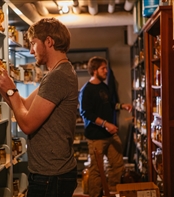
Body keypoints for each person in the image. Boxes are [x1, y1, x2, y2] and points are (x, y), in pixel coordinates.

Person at [0, 17, 78, 197]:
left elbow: (26, 124)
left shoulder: (57, 77)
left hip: (51, 175)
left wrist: (11, 90)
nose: (31, 50)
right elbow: (24, 104)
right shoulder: (57, 73)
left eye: (33, 43)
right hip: (52, 173)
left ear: (48, 41)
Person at [78, 56, 132, 197]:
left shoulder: (104, 87)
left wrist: (122, 106)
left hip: (110, 135)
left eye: (106, 68)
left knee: (118, 164)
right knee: (96, 170)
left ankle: (112, 192)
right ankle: (96, 195)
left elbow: (109, 105)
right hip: (96, 137)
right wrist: (106, 124)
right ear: (94, 70)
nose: (106, 71)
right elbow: (86, 113)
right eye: (103, 68)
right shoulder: (86, 90)